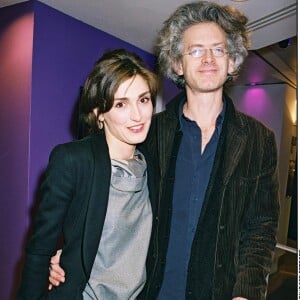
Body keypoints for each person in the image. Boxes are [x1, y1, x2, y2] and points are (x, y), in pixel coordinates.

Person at [49, 1, 280, 299]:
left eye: (218, 49)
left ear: (232, 62)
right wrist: (70, 252)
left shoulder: (258, 140)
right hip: (148, 291)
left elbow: (260, 227)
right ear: (177, 64)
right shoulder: (147, 132)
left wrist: (246, 293)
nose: (208, 58)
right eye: (195, 50)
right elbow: (104, 196)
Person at [17, 48, 158, 299]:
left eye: (143, 100)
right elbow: (40, 249)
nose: (137, 115)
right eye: (121, 104)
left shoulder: (155, 164)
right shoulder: (74, 161)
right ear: (99, 113)